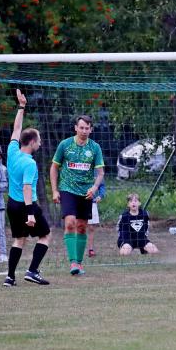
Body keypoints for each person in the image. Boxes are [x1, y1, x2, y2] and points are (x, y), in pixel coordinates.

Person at [3, 89, 51, 286]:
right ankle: (32, 271)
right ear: (31, 142)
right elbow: (27, 188)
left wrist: (21, 107)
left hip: (12, 205)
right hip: (26, 205)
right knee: (45, 235)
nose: (40, 143)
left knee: (19, 239)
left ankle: (10, 277)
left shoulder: (12, 151)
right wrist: (31, 213)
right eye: (38, 141)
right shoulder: (30, 163)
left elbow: (16, 129)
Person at [50, 114, 105, 276]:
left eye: (87, 128)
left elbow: (101, 173)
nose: (84, 131)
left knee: (81, 227)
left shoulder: (95, 148)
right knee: (70, 223)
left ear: (91, 129)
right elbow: (54, 168)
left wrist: (94, 187)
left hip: (86, 192)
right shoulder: (65, 145)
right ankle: (73, 262)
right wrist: (55, 190)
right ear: (76, 128)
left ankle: (79, 263)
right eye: (81, 127)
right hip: (67, 189)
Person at [86, 173, 106, 258]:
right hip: (79, 201)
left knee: (91, 227)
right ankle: (77, 248)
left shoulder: (98, 172)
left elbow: (102, 186)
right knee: (79, 226)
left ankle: (90, 249)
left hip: (92, 203)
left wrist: (100, 196)